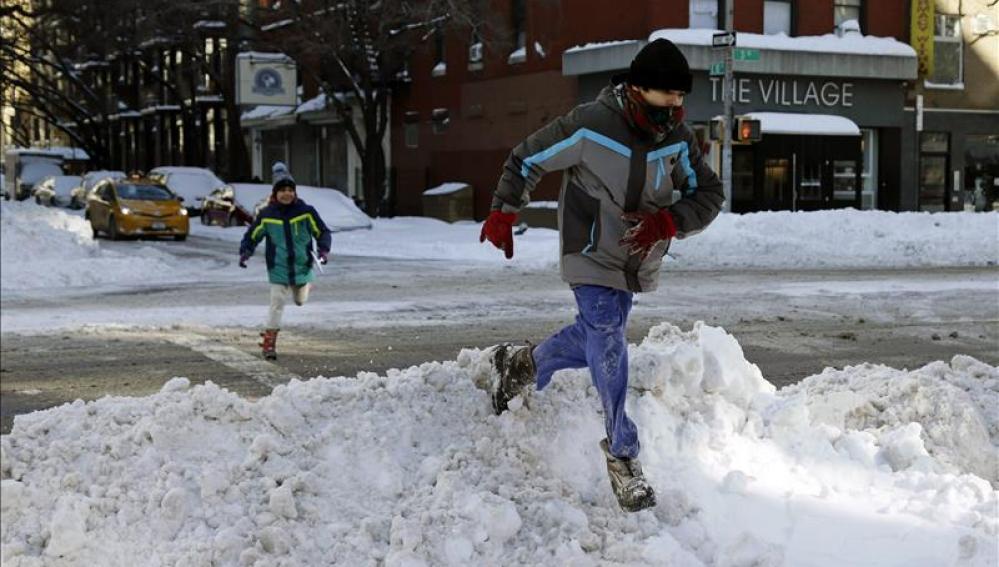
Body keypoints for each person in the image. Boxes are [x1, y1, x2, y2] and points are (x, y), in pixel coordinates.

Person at [479, 38, 724, 512]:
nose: (676, 105)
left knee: (595, 335)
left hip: (636, 256)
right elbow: (526, 158)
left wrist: (668, 222)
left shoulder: (677, 138)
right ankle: (622, 453)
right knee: (607, 332)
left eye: (681, 97)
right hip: (589, 249)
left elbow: (709, 193)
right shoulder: (591, 125)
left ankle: (522, 364)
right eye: (666, 95)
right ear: (637, 88)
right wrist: (503, 211)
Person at [240, 163, 332, 359]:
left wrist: (323, 250)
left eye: (290, 190)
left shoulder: (306, 212)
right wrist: (246, 251)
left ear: (295, 193)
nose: (287, 194)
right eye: (282, 190)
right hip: (278, 268)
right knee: (277, 303)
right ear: (275, 194)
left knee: (300, 301)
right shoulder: (267, 215)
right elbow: (253, 235)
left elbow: (322, 231)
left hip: (302, 266)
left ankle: (305, 285)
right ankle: (269, 344)